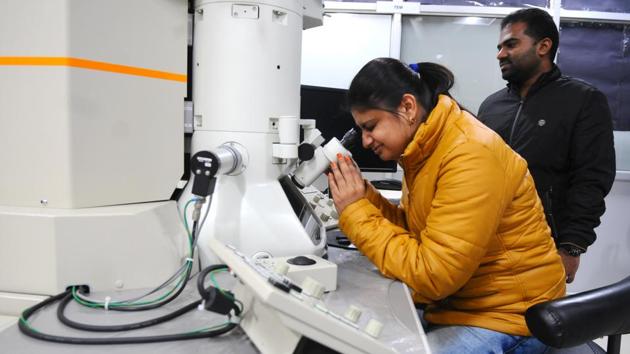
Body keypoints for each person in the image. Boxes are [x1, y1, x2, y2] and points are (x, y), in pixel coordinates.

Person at [327, 57, 565, 354]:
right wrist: (363, 197)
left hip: (511, 316)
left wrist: (355, 212)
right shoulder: (427, 149)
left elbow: (434, 275)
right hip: (463, 305)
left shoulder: (470, 154)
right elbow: (418, 235)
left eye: (370, 126)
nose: (364, 141)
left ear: (408, 107)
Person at [477, 8, 616, 284]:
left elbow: (592, 179)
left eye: (511, 44)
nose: (500, 54)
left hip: (543, 247)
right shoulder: (491, 106)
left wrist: (572, 246)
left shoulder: (583, 100)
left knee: (531, 323)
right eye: (499, 47)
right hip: (486, 243)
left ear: (543, 46)